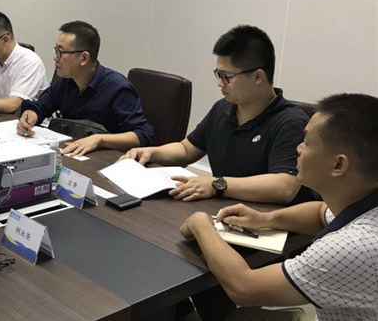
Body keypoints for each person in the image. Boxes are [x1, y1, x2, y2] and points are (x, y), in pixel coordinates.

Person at [172, 93, 378, 321]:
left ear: (339, 164)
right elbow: (319, 212)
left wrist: (202, 225)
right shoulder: (364, 200)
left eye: (307, 142)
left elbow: (244, 288)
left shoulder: (354, 245)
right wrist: (266, 218)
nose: (298, 148)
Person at [123, 25, 313, 204]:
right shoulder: (223, 108)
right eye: (218, 75)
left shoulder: (290, 122)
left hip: (264, 221)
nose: (220, 83)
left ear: (258, 77)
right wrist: (151, 152)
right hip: (220, 210)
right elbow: (187, 150)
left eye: (226, 77)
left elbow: (285, 187)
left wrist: (217, 184)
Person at [17, 21, 153, 156]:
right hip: (72, 153)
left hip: (106, 158)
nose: (55, 57)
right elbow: (40, 107)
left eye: (60, 52)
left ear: (84, 58)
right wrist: (28, 118)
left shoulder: (117, 88)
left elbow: (143, 135)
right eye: (55, 50)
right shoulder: (66, 81)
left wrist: (100, 140)